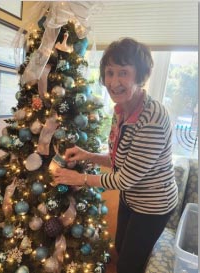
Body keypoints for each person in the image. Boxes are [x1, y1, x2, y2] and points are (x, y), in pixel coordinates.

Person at [54, 37, 178, 273]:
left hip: (153, 205)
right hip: (131, 197)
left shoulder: (151, 118)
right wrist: (86, 155)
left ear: (140, 76)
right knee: (120, 246)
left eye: (123, 73)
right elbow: (119, 159)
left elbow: (126, 178)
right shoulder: (121, 110)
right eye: (109, 72)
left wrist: (81, 179)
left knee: (129, 265)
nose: (114, 82)